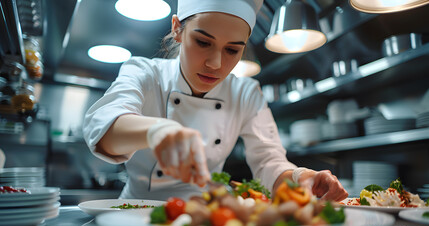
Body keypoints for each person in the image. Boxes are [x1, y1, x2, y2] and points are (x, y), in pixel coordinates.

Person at [83, 0, 348, 201]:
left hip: (210, 219)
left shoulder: (246, 92)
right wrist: (158, 131)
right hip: (137, 218)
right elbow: (103, 126)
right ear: (177, 29)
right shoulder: (145, 72)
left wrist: (301, 178)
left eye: (233, 50)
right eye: (202, 42)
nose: (216, 64)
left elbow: (269, 162)